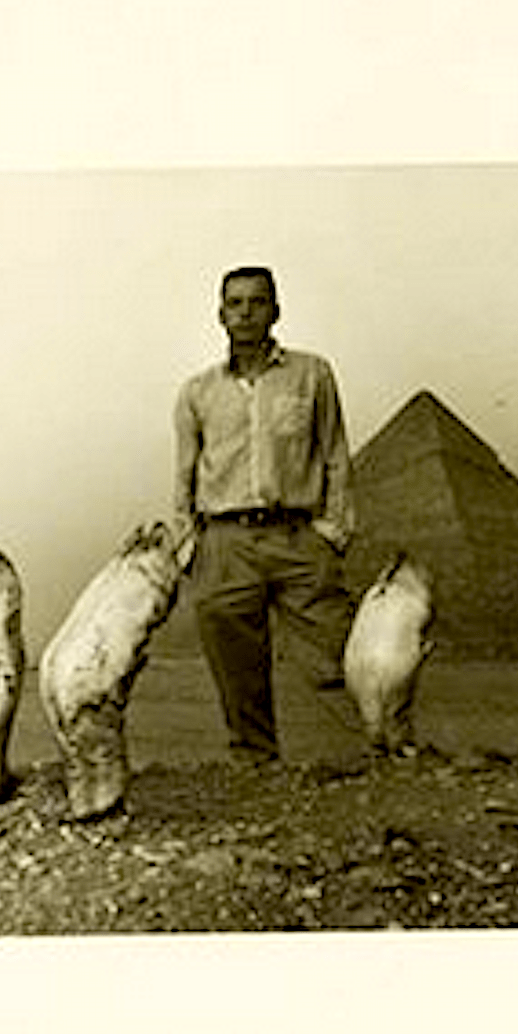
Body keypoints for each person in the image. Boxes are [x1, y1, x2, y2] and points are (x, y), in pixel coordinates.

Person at [173, 265, 356, 767]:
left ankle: (374, 759)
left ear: (276, 310)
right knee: (236, 668)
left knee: (342, 649)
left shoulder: (312, 374)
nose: (246, 313)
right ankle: (256, 766)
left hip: (298, 536)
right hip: (225, 541)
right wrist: (190, 547)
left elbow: (335, 453)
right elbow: (185, 473)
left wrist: (333, 532)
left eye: (257, 302)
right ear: (220, 315)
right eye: (235, 303)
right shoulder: (197, 392)